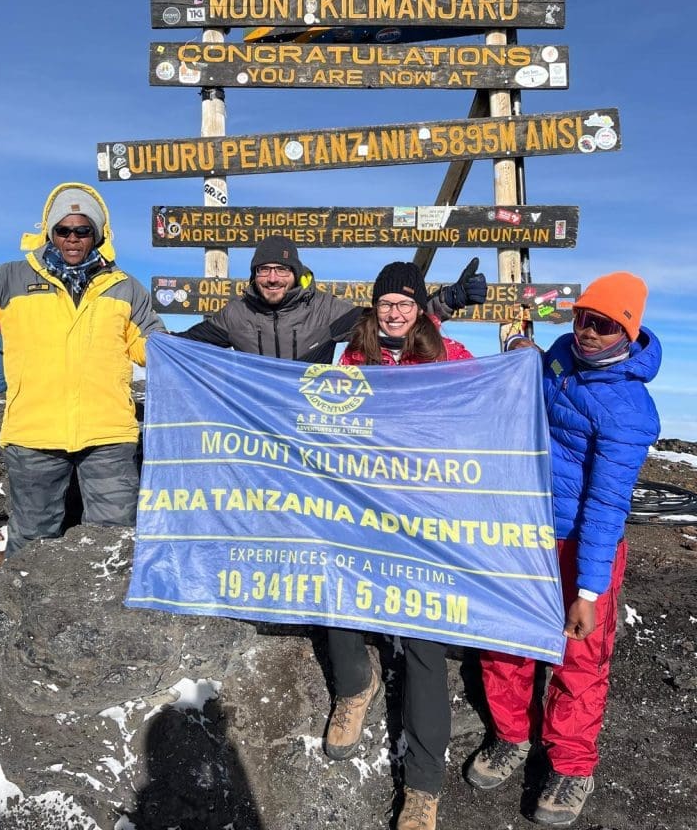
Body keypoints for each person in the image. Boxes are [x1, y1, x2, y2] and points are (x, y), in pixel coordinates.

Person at [465, 272, 661, 827]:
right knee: (506, 637)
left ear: (628, 330)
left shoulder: (628, 408)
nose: (587, 332)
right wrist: (521, 354)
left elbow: (605, 508)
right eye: (581, 318)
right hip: (523, 529)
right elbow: (538, 377)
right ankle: (510, 734)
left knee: (581, 658)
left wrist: (589, 590)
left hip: (582, 543)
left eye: (603, 324)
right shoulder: (561, 356)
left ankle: (573, 764)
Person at [0, 182, 164, 556]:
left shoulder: (125, 288)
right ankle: (21, 614)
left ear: (98, 234)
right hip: (33, 432)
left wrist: (200, 357)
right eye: (63, 230)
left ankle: (103, 614)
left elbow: (150, 346)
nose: (72, 238)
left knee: (114, 540)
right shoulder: (12, 278)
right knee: (32, 541)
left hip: (108, 434)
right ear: (50, 232)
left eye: (82, 230)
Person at [323, 261, 473, 830]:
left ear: (419, 309)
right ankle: (354, 690)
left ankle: (424, 788)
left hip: (425, 517)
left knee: (422, 644)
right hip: (361, 510)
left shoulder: (448, 353)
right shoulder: (352, 357)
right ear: (375, 307)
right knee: (339, 601)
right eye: (385, 303)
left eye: (404, 303)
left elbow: (481, 408)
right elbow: (326, 422)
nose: (394, 312)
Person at [177, 234, 486, 362]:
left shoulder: (324, 310)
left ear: (296, 273)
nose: (273, 278)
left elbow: (391, 319)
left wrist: (450, 298)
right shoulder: (236, 314)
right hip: (257, 422)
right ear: (254, 274)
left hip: (310, 420)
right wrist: (148, 340)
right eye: (264, 270)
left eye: (282, 269)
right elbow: (184, 343)